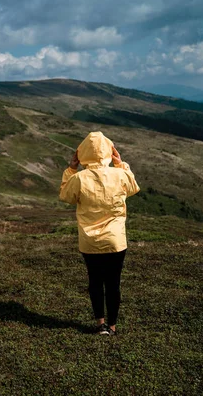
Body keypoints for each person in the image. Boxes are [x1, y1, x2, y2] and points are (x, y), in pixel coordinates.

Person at [59, 132, 140, 336]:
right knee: (113, 284)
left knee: (95, 281)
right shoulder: (120, 175)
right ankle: (112, 327)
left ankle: (100, 324)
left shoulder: (78, 178)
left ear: (82, 153)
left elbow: (65, 195)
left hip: (89, 241)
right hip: (115, 240)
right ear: (108, 151)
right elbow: (133, 187)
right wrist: (121, 164)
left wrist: (71, 168)